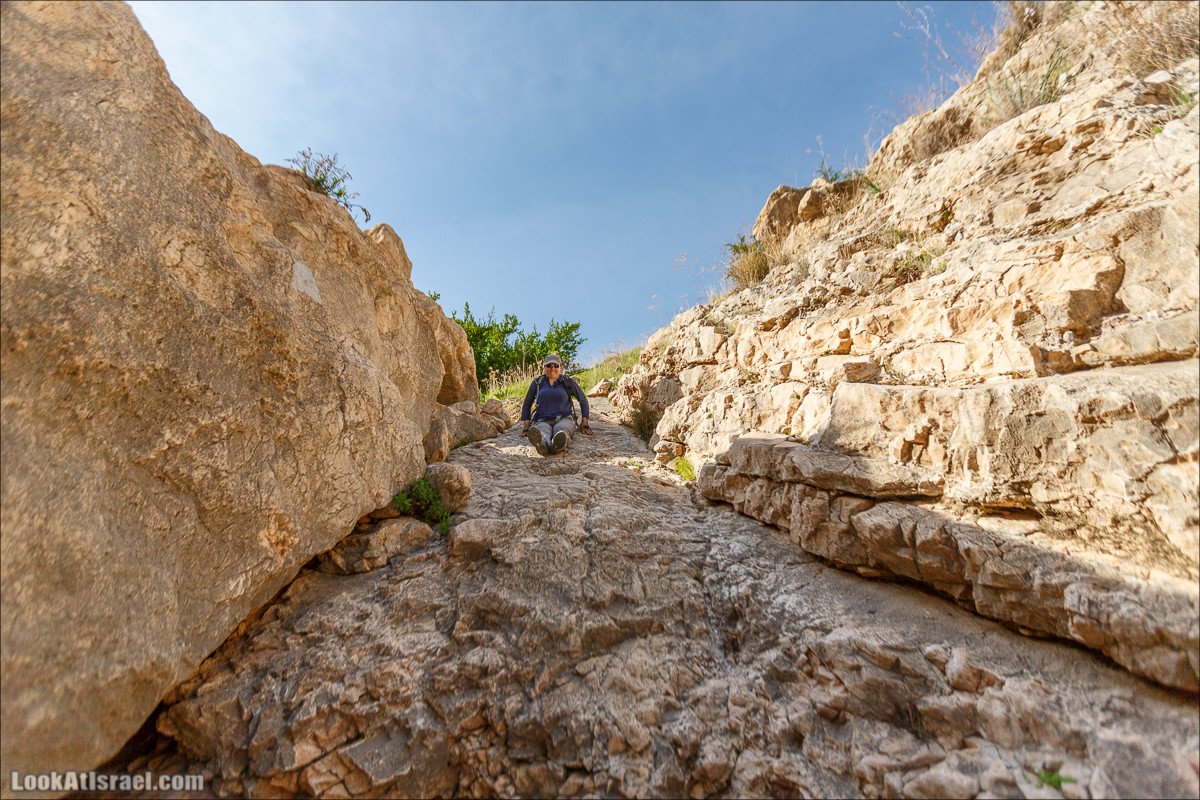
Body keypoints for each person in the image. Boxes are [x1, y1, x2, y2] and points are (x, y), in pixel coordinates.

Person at [521, 353, 593, 455]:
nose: (552, 368)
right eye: (549, 365)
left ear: (561, 367)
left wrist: (585, 423)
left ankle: (557, 444)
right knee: (542, 432)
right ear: (545, 367)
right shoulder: (538, 382)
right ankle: (542, 443)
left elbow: (583, 400)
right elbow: (527, 402)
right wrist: (526, 426)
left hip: (564, 418)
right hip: (542, 420)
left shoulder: (567, 382)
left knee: (562, 431)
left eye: (556, 365)